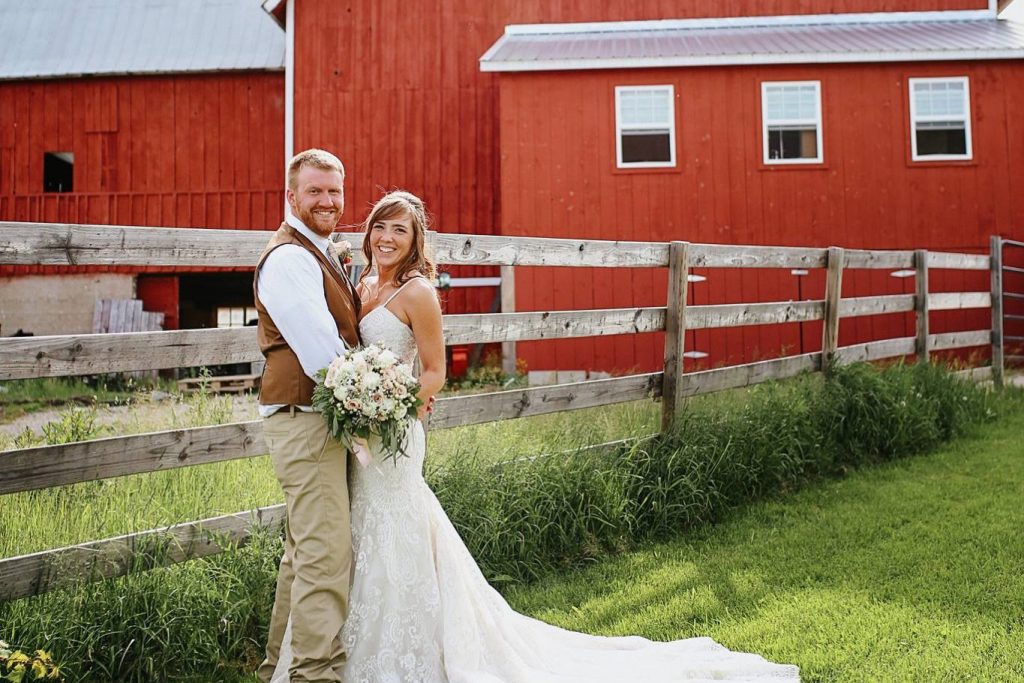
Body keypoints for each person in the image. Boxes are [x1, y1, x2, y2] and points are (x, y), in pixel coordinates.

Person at [273, 190, 800, 682]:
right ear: (367, 234)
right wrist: (359, 400)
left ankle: (404, 654)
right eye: (381, 228)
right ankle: (339, 646)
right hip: (364, 434)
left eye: (401, 232)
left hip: (395, 433)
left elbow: (434, 373)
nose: (388, 238)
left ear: (416, 242)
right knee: (361, 534)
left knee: (396, 534)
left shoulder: (419, 292)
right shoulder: (361, 284)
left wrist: (391, 406)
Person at [254, 149, 361, 683]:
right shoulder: (290, 258)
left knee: (304, 551)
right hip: (307, 415)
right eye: (315, 191)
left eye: (335, 191)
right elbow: (323, 353)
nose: (327, 201)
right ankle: (316, 675)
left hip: (318, 415)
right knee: (325, 552)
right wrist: (369, 404)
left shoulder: (319, 252)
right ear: (291, 197)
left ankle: (282, 667)